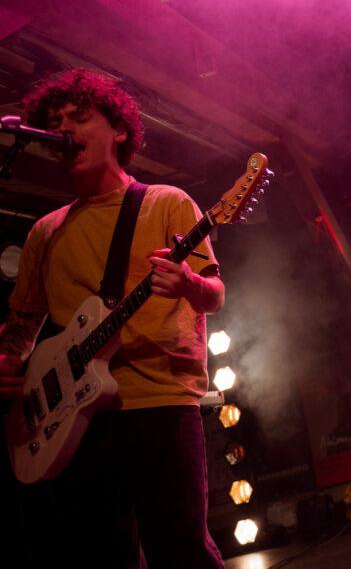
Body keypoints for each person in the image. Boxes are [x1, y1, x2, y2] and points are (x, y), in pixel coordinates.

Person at [0, 70, 225, 567]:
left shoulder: (166, 202)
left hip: (160, 402)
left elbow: (214, 296)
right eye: (54, 122)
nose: (65, 129)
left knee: (181, 550)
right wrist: (7, 361)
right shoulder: (45, 232)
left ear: (119, 130)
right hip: (75, 421)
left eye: (79, 118)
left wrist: (188, 284)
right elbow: (23, 324)